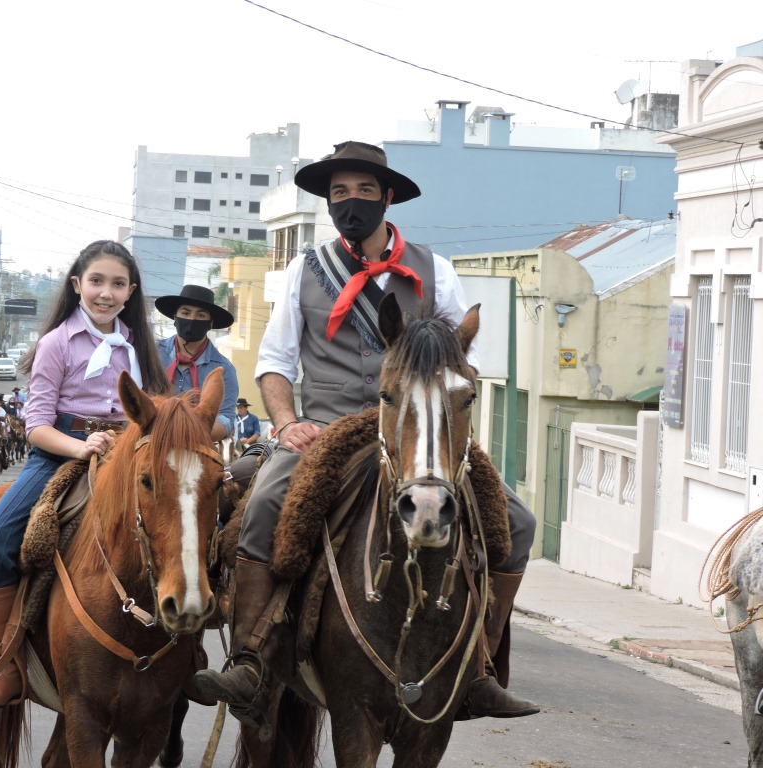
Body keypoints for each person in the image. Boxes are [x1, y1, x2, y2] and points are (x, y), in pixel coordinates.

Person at [194, 141, 539, 724]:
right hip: (326, 428)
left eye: (362, 192)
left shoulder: (436, 270)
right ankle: (252, 660)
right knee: (264, 507)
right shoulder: (305, 270)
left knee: (519, 524)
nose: (350, 203)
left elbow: (459, 360)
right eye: (338, 194)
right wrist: (286, 422)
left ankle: (477, 668)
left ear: (386, 197)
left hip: (417, 430)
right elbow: (275, 363)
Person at [0, 240, 170, 708]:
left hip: (129, 455)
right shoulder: (55, 343)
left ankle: (187, 648)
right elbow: (37, 426)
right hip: (61, 451)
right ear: (77, 285)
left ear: (131, 291)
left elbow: (154, 407)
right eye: (97, 281)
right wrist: (83, 447)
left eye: (117, 284)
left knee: (192, 522)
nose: (106, 293)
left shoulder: (140, 345)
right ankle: (6, 663)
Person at [155, 284, 238, 442]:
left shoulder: (224, 369)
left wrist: (191, 432)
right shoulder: (151, 354)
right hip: (150, 441)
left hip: (196, 444)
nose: (192, 319)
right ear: (175, 316)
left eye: (200, 315)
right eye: (185, 313)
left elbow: (226, 419)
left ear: (210, 323)